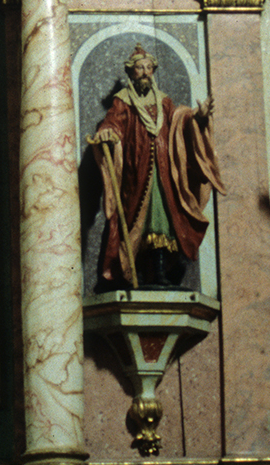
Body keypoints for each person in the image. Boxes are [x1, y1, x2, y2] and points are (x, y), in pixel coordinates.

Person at [90, 44, 224, 290]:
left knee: (164, 219)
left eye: (149, 68)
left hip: (164, 171)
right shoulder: (123, 101)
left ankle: (161, 272)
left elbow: (178, 123)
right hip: (136, 171)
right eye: (140, 68)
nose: (145, 72)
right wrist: (108, 132)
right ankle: (136, 273)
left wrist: (198, 117)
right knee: (135, 219)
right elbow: (112, 123)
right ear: (131, 72)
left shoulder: (164, 102)